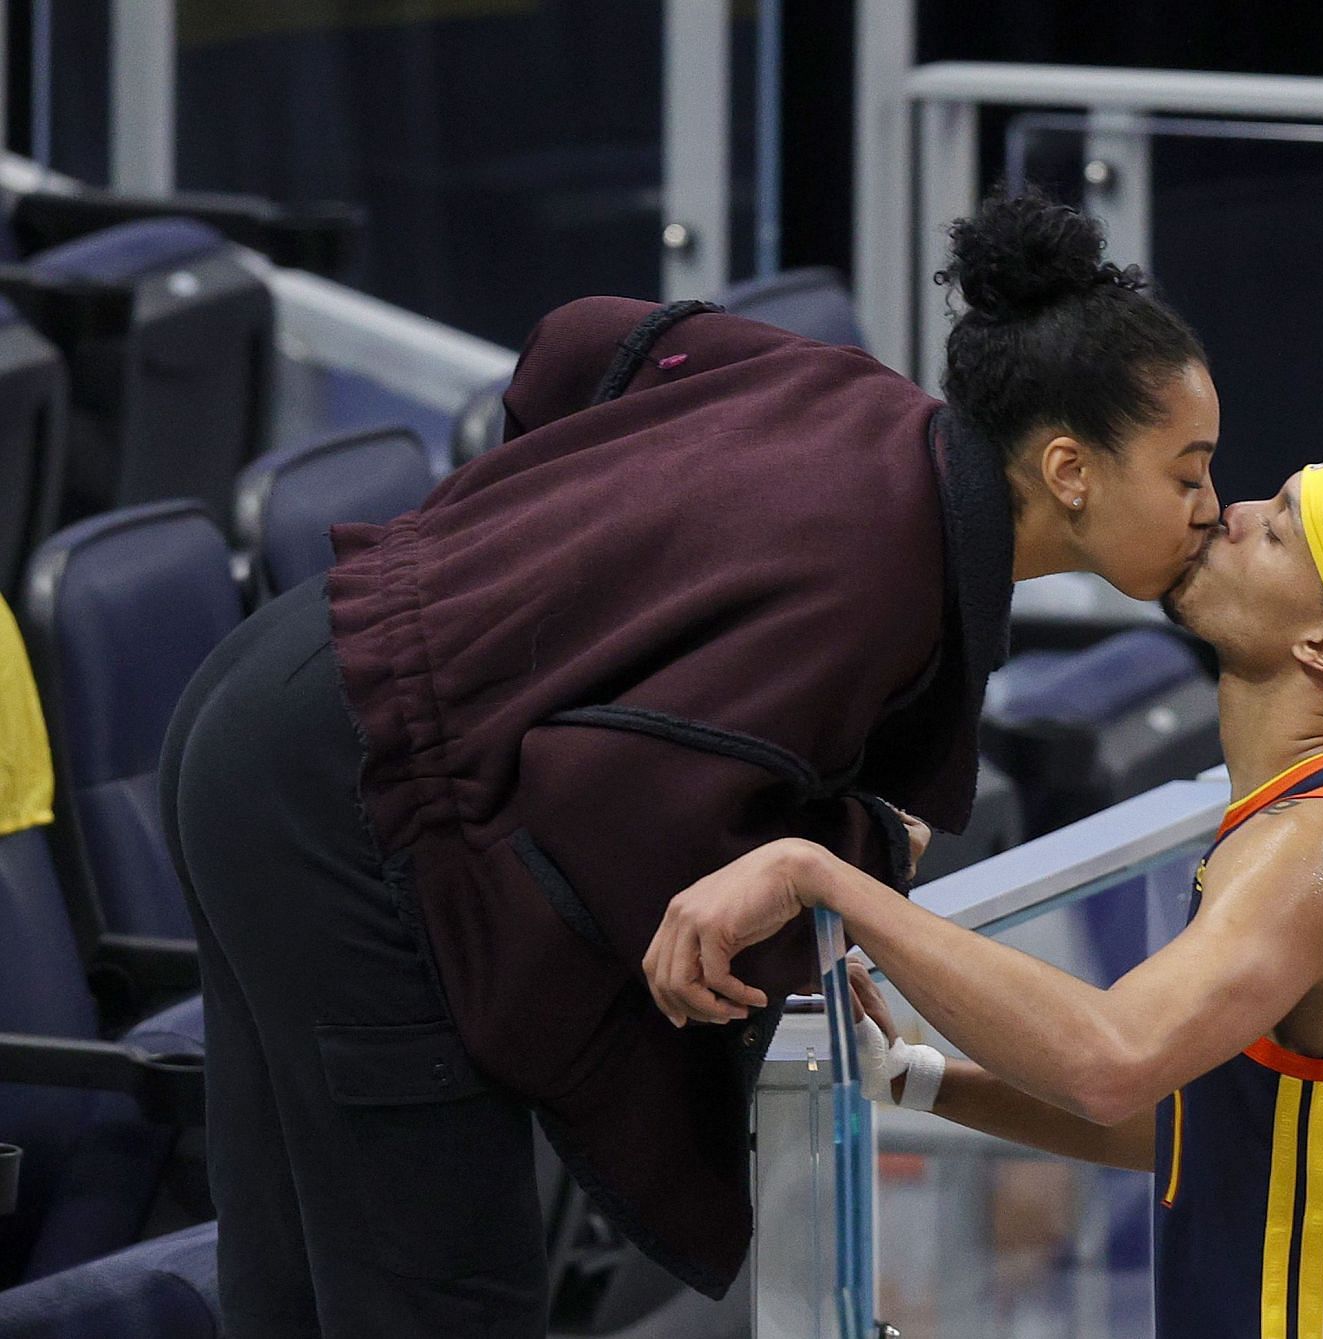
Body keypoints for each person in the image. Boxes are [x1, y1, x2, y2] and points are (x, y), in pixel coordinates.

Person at [154, 193, 1221, 1338]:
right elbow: (616, 798)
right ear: (1070, 468)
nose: (1211, 508)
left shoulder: (863, 400)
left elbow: (582, 343)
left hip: (270, 686)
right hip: (339, 799)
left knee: (287, 1277)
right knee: (436, 1297)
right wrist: (861, 841)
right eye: (1188, 472)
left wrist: (538, 575)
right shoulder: (884, 572)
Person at [646, 457, 1323, 1338]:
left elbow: (1111, 1059)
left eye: (1274, 529)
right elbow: (1208, 1123)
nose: (1231, 512)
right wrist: (921, 1079)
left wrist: (819, 873)